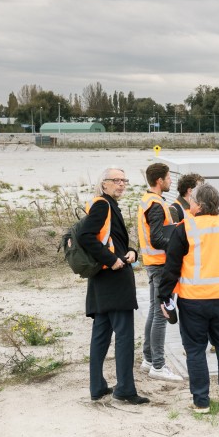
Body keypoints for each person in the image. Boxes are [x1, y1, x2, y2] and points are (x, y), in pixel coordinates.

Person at [157, 183, 219, 413]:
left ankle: (201, 402)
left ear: (199, 205)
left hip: (193, 300)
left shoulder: (185, 228)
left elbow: (171, 268)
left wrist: (164, 298)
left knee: (195, 351)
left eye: (192, 201)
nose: (189, 204)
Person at [79, 167, 149, 404]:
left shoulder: (107, 205)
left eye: (124, 180)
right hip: (114, 280)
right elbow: (86, 236)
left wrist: (131, 251)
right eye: (116, 180)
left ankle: (97, 387)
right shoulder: (103, 205)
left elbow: (113, 240)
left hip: (101, 281)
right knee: (124, 337)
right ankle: (125, 389)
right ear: (104, 183)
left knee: (100, 336)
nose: (121, 184)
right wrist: (112, 260)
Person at [137, 162, 181, 382]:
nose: (171, 181)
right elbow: (156, 238)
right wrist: (176, 245)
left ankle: (148, 359)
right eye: (168, 177)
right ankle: (158, 365)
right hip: (161, 265)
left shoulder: (148, 200)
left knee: (155, 312)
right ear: (159, 180)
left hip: (153, 264)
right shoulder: (155, 204)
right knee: (162, 315)